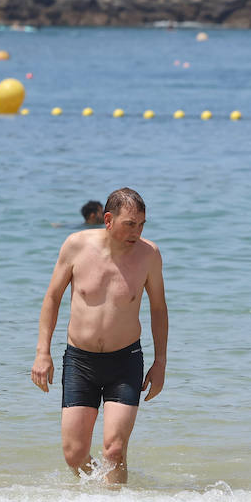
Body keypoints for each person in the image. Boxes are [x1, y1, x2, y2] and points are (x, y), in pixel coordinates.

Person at [32, 187, 167, 483]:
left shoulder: (149, 255)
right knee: (74, 454)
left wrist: (160, 362)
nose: (137, 232)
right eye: (130, 224)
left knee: (114, 451)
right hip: (80, 362)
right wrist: (43, 352)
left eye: (142, 224)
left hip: (125, 361)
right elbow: (52, 297)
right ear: (108, 219)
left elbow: (158, 308)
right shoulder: (76, 246)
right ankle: (102, 496)